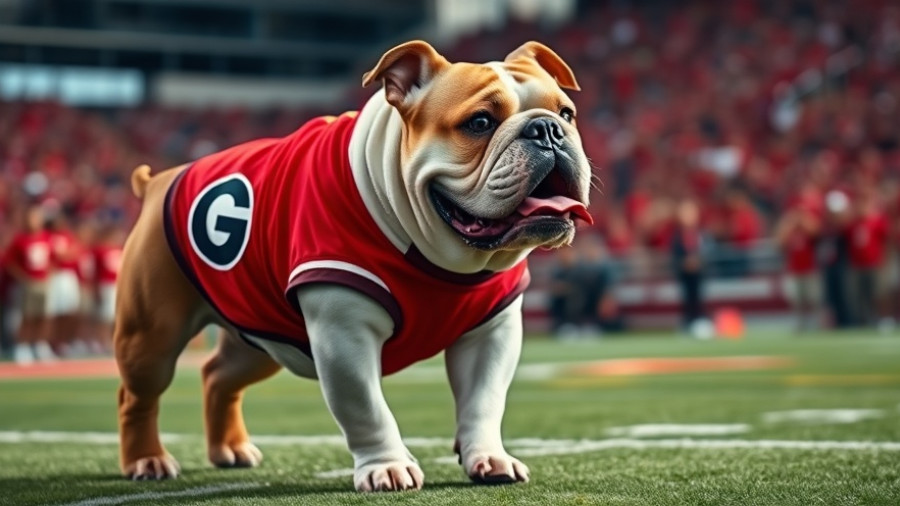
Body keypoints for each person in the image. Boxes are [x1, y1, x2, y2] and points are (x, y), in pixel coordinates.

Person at [3, 205, 54, 364]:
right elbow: (8, 262)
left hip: (43, 282)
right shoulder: (20, 239)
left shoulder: (46, 237)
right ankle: (22, 346)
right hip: (28, 284)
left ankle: (39, 344)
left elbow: (53, 258)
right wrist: (23, 277)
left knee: (43, 316)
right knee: (27, 316)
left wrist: (48, 274)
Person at [775, 191, 823, 331]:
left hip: (810, 268)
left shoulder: (808, 227)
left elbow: (816, 232)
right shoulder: (790, 230)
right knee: (797, 301)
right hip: (794, 270)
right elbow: (779, 243)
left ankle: (816, 324)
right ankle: (800, 324)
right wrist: (789, 222)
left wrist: (804, 219)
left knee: (813, 300)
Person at [46, 213, 83, 355]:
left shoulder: (67, 235)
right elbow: (55, 256)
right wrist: (64, 255)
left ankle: (62, 342)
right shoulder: (47, 236)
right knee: (52, 312)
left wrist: (64, 255)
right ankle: (49, 342)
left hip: (68, 276)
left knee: (69, 311)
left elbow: (75, 252)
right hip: (54, 276)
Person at [671, 199, 706, 334]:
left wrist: (698, 262)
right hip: (684, 273)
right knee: (687, 297)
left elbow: (704, 251)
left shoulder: (700, 234)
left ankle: (698, 320)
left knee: (697, 296)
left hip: (698, 273)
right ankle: (688, 322)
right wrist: (684, 263)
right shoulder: (678, 236)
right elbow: (675, 255)